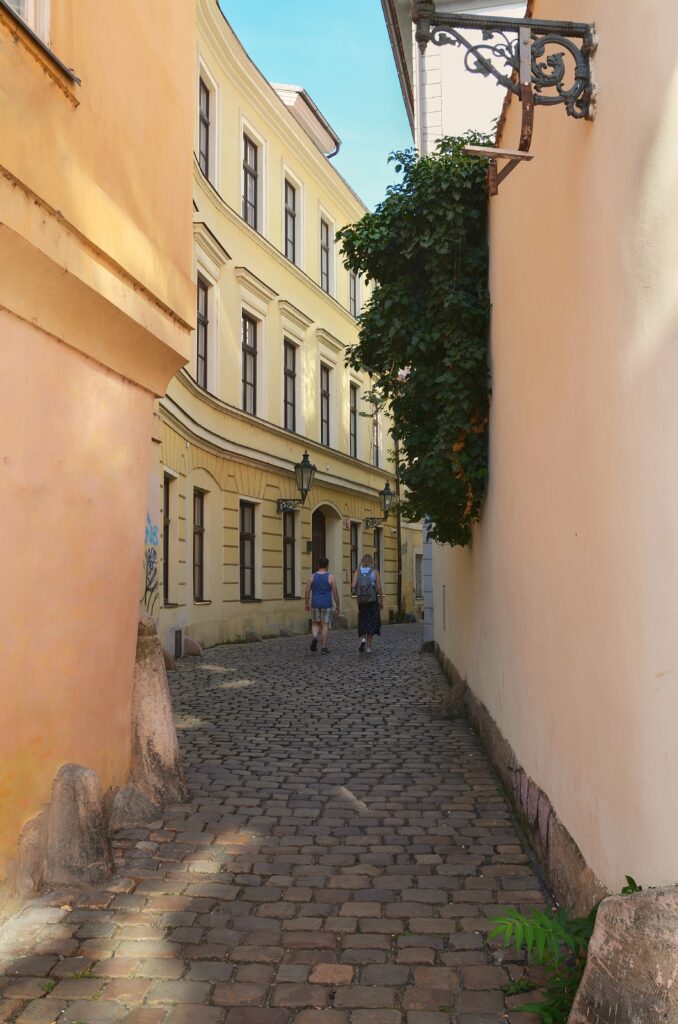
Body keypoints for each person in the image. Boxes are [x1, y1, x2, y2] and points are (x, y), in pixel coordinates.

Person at [304, 556, 341, 654]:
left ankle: (315, 637)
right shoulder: (330, 577)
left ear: (318, 565)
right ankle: (324, 647)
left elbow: (307, 591)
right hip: (326, 604)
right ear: (327, 566)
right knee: (325, 625)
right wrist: (338, 605)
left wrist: (306, 603)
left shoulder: (312, 576)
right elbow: (335, 593)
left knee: (315, 623)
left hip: (315, 603)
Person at [351, 553, 383, 654]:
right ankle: (369, 647)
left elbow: (353, 585)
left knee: (363, 620)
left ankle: (363, 640)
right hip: (372, 601)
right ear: (372, 562)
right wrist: (381, 601)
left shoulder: (357, 571)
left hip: (361, 601)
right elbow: (378, 588)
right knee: (371, 623)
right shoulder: (375, 572)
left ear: (362, 561)